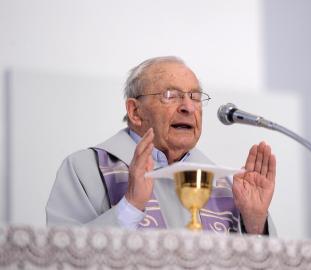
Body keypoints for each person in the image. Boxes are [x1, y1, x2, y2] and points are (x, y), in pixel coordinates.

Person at [46, 56, 277, 235]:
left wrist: (255, 222)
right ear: (135, 112)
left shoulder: (222, 184)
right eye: (170, 95)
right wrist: (131, 207)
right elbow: (60, 257)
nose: (188, 107)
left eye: (195, 97)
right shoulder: (87, 169)